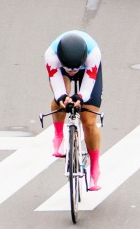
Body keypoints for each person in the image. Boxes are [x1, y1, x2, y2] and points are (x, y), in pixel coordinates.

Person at [45, 30, 104, 190]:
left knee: (88, 120)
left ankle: (95, 166)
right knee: (61, 102)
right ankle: (58, 136)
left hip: (88, 71)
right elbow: (58, 89)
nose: (72, 71)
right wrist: (63, 97)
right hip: (59, 68)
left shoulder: (93, 55)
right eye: (68, 68)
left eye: (75, 68)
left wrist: (79, 98)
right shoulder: (51, 55)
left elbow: (87, 88)